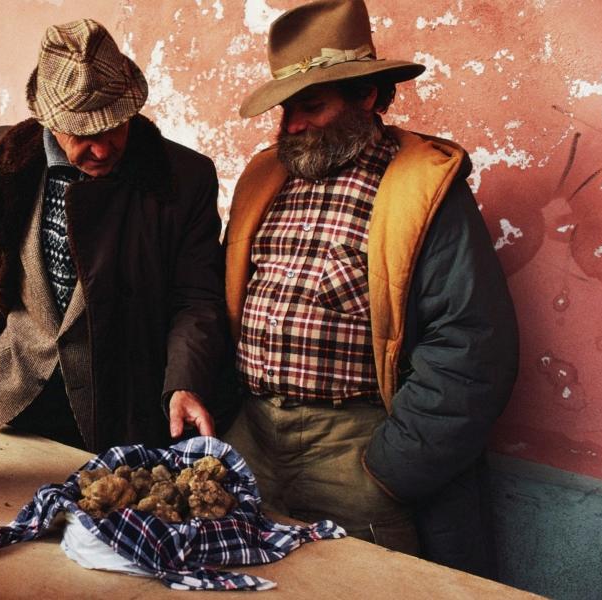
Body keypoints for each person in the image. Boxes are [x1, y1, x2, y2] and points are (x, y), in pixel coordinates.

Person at [221, 0, 518, 578]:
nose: (290, 125)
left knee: (365, 586)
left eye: (310, 106)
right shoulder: (266, 177)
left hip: (356, 449)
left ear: (368, 97)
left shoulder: (423, 188)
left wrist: (391, 468)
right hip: (251, 436)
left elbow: (471, 345)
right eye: (285, 109)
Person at [0, 18, 228, 453]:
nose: (100, 150)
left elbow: (196, 297)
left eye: (113, 129)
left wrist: (184, 384)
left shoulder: (184, 178)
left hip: (125, 407)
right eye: (83, 135)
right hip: (19, 397)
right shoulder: (7, 154)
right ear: (49, 121)